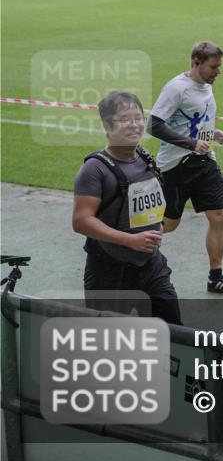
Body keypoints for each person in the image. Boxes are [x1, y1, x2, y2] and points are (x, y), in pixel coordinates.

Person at [72, 91, 182, 325]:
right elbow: (81, 221)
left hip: (151, 266)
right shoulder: (94, 169)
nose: (134, 125)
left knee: (172, 331)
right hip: (109, 273)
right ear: (107, 125)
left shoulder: (144, 157)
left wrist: (158, 225)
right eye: (125, 119)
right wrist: (130, 240)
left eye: (138, 118)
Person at [148, 41, 223, 295]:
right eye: (214, 67)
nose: (218, 72)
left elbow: (196, 118)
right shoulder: (177, 88)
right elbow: (154, 125)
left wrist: (213, 132)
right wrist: (191, 143)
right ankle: (131, 252)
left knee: (219, 215)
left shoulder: (205, 85)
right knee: (169, 223)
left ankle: (215, 277)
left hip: (204, 162)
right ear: (196, 62)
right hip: (176, 166)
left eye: (219, 66)